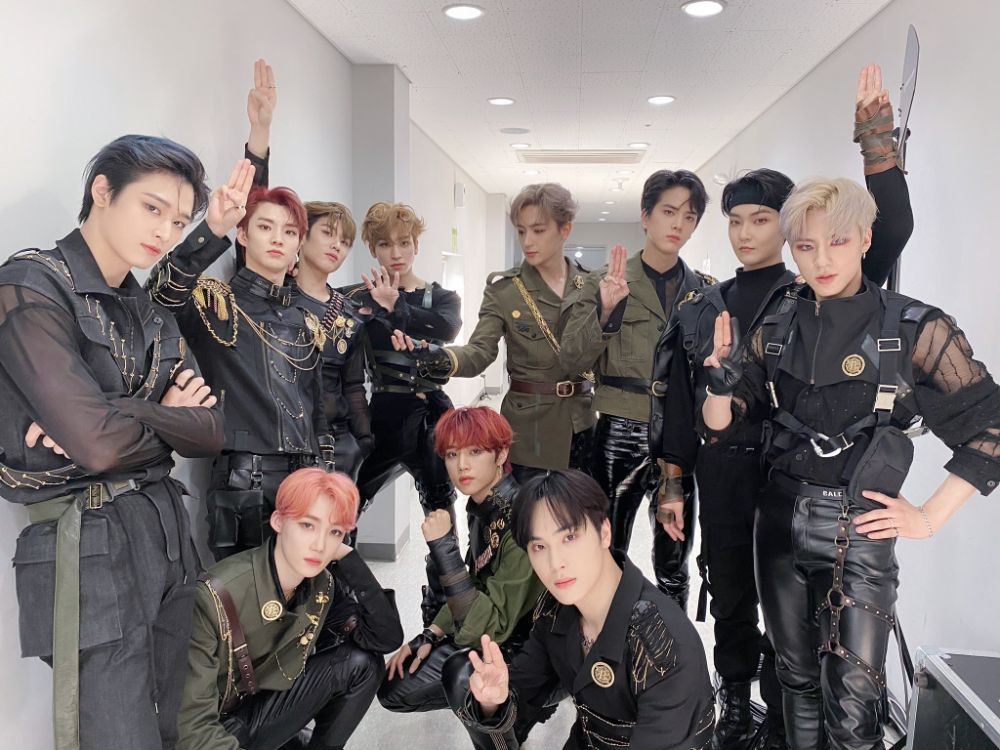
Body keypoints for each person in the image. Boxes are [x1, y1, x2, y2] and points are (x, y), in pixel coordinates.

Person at [700, 177, 1000, 750]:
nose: (821, 260)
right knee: (794, 685)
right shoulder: (778, 324)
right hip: (777, 526)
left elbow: (990, 424)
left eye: (836, 241)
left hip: (859, 535)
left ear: (865, 238)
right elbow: (723, 424)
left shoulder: (916, 328)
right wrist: (718, 382)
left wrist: (928, 517)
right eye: (805, 246)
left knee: (855, 706)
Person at [665, 64, 914, 750]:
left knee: (802, 625)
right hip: (725, 468)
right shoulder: (707, 303)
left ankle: (786, 722)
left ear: (791, 227)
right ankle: (736, 705)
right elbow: (685, 397)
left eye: (762, 220)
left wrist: (877, 145)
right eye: (735, 222)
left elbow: (890, 228)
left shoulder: (816, 285)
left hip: (794, 477)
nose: (746, 233)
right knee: (731, 593)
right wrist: (673, 479)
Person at [2, 134, 232, 750]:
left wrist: (122, 408)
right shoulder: (31, 285)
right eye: (152, 208)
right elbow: (98, 448)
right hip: (88, 543)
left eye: (178, 221)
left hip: (164, 530)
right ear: (102, 191)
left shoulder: (145, 306)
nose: (164, 232)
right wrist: (161, 417)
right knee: (115, 734)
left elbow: (211, 431)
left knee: (177, 721)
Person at [149, 129, 333, 560]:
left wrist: (328, 474)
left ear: (299, 245)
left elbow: (318, 407)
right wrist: (211, 230)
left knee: (305, 588)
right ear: (244, 235)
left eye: (290, 231)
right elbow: (158, 296)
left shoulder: (306, 319)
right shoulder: (214, 303)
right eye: (265, 227)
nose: (278, 239)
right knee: (241, 591)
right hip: (243, 481)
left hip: (307, 477)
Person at [453, 470, 716, 750]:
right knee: (462, 677)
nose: (556, 562)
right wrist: (492, 702)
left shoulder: (664, 653)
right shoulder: (556, 609)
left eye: (569, 537)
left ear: (604, 532)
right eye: (539, 546)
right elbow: (523, 690)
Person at [561, 169, 715, 609]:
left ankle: (673, 645)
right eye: (668, 212)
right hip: (620, 432)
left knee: (674, 559)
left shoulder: (705, 294)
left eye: (689, 217)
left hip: (679, 440)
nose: (678, 224)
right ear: (646, 216)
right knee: (607, 550)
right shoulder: (605, 282)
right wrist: (605, 311)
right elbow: (571, 358)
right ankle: (604, 641)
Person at [176, 468, 403, 750]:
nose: (320, 545)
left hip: (261, 708)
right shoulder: (213, 596)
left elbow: (384, 638)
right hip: (220, 729)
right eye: (308, 525)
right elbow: (191, 728)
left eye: (334, 531)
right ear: (279, 521)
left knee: (362, 664)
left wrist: (350, 560)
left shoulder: (321, 585)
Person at [391, 183, 595, 481]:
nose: (527, 241)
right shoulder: (505, 291)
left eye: (538, 230)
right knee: (526, 507)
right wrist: (438, 356)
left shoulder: (590, 285)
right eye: (521, 231)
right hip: (530, 428)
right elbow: (480, 352)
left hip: (582, 424)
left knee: (580, 508)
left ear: (565, 230)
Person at [239, 59, 373, 481]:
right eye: (328, 234)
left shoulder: (348, 312)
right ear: (302, 238)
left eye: (345, 241)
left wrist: (363, 445)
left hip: (336, 450)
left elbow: (353, 387)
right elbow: (257, 207)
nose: (337, 246)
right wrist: (260, 136)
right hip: (276, 452)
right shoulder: (271, 292)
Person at [377, 406, 546, 740]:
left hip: (533, 649)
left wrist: (444, 547)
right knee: (395, 688)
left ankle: (515, 711)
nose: (462, 466)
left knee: (463, 676)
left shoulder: (522, 520)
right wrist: (432, 633)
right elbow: (478, 582)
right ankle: (506, 710)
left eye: (475, 452)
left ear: (501, 454)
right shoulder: (484, 506)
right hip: (495, 628)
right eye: (452, 454)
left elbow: (493, 625)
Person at [343, 201, 462, 624]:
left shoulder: (442, 298)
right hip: (383, 415)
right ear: (373, 249)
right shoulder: (356, 298)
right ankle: (344, 603)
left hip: (432, 413)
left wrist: (397, 307)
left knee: (440, 510)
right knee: (347, 505)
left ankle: (445, 614)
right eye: (385, 244)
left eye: (404, 242)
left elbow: (447, 328)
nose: (396, 252)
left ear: (416, 245)